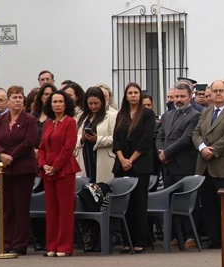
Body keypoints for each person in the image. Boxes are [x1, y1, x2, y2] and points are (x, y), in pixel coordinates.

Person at [192, 80, 224, 249]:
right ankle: (215, 240)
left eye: (221, 90)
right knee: (208, 206)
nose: (218, 94)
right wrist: (202, 148)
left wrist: (213, 151)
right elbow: (196, 133)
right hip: (205, 165)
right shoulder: (206, 112)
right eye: (214, 91)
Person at [0, 85, 39, 255]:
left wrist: (11, 156)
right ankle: (6, 241)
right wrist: (1, 154)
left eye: (20, 97)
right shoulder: (0, 120)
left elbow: (29, 142)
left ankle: (19, 243)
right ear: (8, 100)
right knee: (6, 207)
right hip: (3, 170)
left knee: (20, 206)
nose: (18, 100)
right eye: (15, 97)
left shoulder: (29, 120)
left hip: (22, 168)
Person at [112, 83, 157, 253]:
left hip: (140, 165)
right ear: (125, 96)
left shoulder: (147, 114)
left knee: (139, 203)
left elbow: (146, 140)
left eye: (136, 93)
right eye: (129, 93)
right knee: (124, 203)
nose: (133, 96)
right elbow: (116, 139)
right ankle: (126, 240)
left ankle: (140, 240)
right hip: (121, 164)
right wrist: (122, 159)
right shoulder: (121, 114)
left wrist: (131, 159)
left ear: (140, 95)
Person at [157, 83, 201, 248]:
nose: (179, 100)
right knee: (171, 201)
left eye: (182, 96)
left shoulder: (195, 115)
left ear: (190, 97)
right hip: (168, 166)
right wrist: (161, 152)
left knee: (188, 202)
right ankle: (176, 236)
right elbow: (159, 135)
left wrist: (167, 153)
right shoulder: (167, 115)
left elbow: (187, 138)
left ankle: (190, 236)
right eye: (176, 96)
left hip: (184, 165)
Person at [38, 91, 79, 257]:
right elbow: (41, 147)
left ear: (66, 104)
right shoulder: (48, 124)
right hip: (48, 171)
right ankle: (52, 245)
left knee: (65, 209)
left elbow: (68, 147)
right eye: (54, 102)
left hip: (64, 170)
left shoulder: (70, 122)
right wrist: (43, 165)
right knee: (51, 209)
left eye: (60, 101)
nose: (57, 104)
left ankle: (64, 246)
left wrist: (55, 166)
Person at [76, 86, 116, 184]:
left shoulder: (111, 116)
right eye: (90, 103)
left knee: (101, 189)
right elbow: (75, 136)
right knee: (86, 188)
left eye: (96, 103)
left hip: (102, 158)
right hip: (85, 155)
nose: (93, 106)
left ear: (102, 102)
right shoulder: (81, 116)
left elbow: (115, 138)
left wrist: (97, 139)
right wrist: (82, 139)